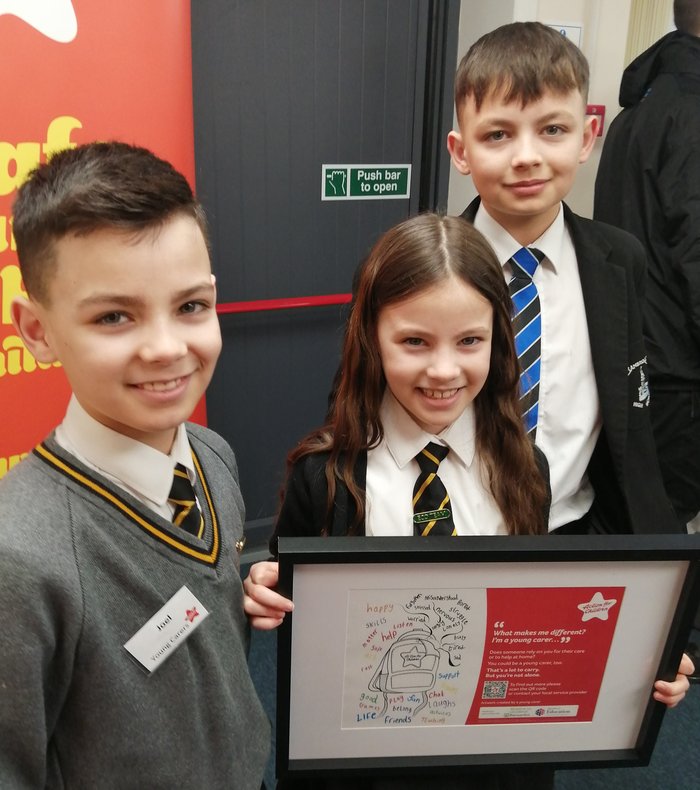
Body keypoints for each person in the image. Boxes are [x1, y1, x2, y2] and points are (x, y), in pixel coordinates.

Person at [243, 214, 690, 790]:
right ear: (370, 338)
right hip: (366, 757)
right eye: (413, 341)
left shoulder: (527, 469)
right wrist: (265, 591)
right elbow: (291, 594)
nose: (444, 370)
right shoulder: (324, 475)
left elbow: (540, 618)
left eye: (470, 341)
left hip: (496, 760)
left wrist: (643, 661)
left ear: (498, 342)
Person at [0, 142, 270, 788]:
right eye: (114, 316)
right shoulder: (21, 558)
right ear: (37, 332)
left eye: (190, 307)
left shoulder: (211, 456)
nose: (167, 348)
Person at [593, 0, 700, 674]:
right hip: (681, 369)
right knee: (663, 521)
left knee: (644, 510)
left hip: (644, 354)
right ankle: (662, 660)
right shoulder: (690, 113)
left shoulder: (648, 99)